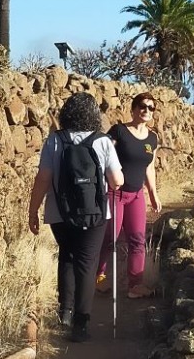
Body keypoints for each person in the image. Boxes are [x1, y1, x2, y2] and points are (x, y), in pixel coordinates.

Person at [28, 90, 123, 341]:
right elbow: (116, 181)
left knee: (67, 257)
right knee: (87, 263)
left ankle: (65, 312)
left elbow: (43, 178)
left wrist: (33, 210)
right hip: (95, 213)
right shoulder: (102, 141)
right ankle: (81, 324)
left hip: (59, 212)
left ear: (67, 113)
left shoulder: (54, 140)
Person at [98, 92, 161, 299]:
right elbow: (103, 156)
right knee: (110, 237)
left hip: (136, 195)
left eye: (151, 108)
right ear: (133, 109)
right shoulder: (119, 131)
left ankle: (136, 285)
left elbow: (149, 167)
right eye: (142, 106)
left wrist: (153, 194)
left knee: (137, 239)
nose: (146, 110)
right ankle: (98, 276)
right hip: (115, 193)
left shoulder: (152, 138)